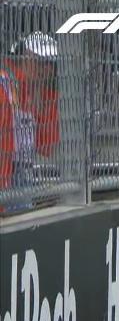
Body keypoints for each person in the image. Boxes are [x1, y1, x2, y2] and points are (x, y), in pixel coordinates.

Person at [0, 32, 57, 197]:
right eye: (41, 62)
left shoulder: (46, 95)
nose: (47, 69)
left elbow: (46, 148)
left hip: (22, 170)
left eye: (51, 64)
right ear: (26, 56)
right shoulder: (8, 79)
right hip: (9, 167)